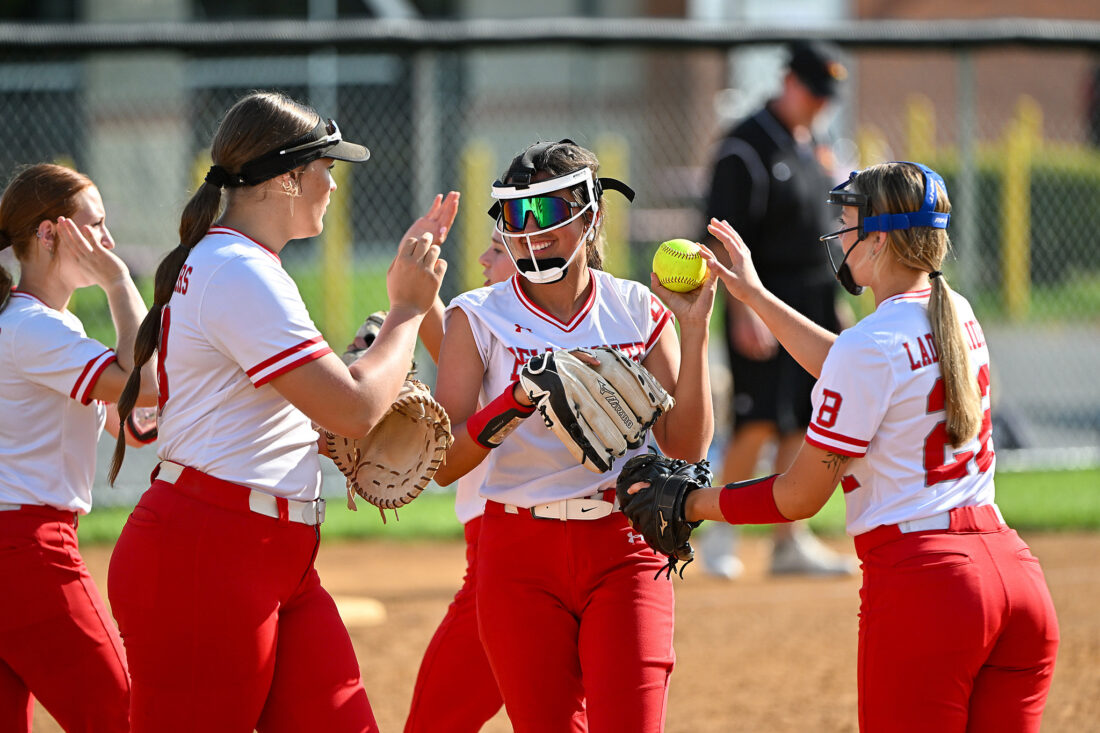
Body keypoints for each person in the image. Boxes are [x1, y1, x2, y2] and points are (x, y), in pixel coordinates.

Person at [660, 161, 1060, 730]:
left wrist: (689, 502)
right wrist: (756, 295)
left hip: (928, 590)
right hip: (1017, 582)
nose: (838, 233)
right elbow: (851, 367)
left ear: (879, 240)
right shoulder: (955, 312)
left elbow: (798, 497)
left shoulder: (872, 345)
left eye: (848, 222)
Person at [105, 90, 455, 733]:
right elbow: (355, 408)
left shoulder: (238, 262)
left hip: (268, 555)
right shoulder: (237, 270)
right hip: (207, 557)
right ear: (286, 177)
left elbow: (290, 407)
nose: (333, 185)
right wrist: (407, 310)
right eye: (326, 167)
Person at [431, 139, 716, 732]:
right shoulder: (476, 315)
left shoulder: (638, 307)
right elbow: (443, 464)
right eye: (516, 215)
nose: (531, 231)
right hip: (518, 555)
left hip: (625, 543)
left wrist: (694, 334)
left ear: (591, 214)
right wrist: (514, 402)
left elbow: (686, 448)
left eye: (548, 211)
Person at [0, 163, 158, 732]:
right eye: (95, 225)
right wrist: (119, 283)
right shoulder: (33, 327)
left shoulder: (35, 324)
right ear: (49, 233)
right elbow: (147, 385)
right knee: (128, 720)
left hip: (16, 549)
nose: (107, 241)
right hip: (27, 555)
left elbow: (136, 425)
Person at [699, 40, 857, 577]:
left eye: (826, 97)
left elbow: (824, 233)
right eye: (813, 93)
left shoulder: (817, 142)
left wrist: (835, 305)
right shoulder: (745, 146)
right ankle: (719, 534)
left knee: (804, 419)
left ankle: (790, 543)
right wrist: (744, 310)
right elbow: (720, 233)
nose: (820, 105)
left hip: (813, 299)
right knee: (758, 420)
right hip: (760, 297)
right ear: (788, 83)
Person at [403, 228, 515, 733]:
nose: (483, 258)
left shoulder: (508, 327)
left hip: (503, 551)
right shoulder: (487, 322)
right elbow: (447, 346)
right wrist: (419, 287)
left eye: (497, 249)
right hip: (505, 545)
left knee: (437, 719)